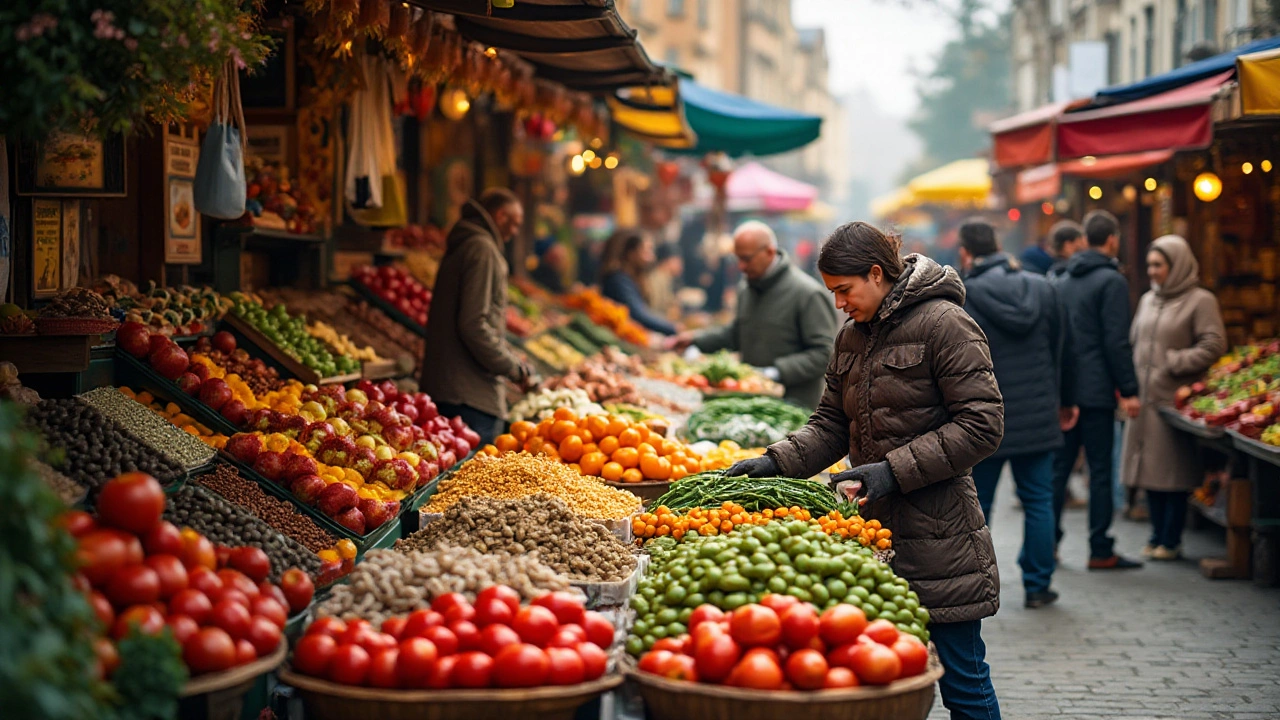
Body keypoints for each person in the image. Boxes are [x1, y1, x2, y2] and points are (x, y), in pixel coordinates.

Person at [728, 222, 1004, 720]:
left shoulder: (946, 324)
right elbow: (830, 424)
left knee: (963, 681)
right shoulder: (852, 338)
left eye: (844, 290)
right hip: (870, 539)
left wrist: (891, 471)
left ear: (876, 274)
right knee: (880, 683)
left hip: (938, 534)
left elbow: (983, 425)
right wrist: (774, 463)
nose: (838, 303)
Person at [957, 219, 1077, 609]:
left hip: (983, 419)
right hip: (1039, 412)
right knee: (1039, 501)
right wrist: (1066, 400)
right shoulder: (1044, 288)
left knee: (978, 507)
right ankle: (1038, 586)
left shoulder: (965, 295)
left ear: (966, 252)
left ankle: (976, 585)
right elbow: (1064, 349)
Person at [1122, 235, 1226, 560]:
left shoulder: (1200, 300)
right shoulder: (1148, 300)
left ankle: (1171, 539)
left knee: (1173, 473)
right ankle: (1157, 535)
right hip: (1144, 398)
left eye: (1159, 265)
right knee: (1150, 474)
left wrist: (1175, 361)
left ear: (1177, 265)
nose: (1152, 271)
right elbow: (1133, 341)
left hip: (1172, 401)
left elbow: (1214, 344)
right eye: (1150, 264)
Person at [665, 221, 839, 409]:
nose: (741, 266)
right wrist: (694, 339)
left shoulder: (808, 294)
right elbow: (737, 333)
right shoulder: (746, 289)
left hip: (794, 406)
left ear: (769, 252)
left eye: (747, 259)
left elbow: (824, 354)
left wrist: (776, 372)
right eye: (737, 259)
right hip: (752, 402)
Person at [1053, 210, 1143, 570]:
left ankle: (1050, 544)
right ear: (1112, 240)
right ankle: (1100, 549)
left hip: (1067, 391)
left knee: (1059, 471)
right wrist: (1130, 389)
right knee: (1100, 471)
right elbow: (1116, 342)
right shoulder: (1112, 281)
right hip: (1097, 390)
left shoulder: (1062, 280)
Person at [421, 188, 537, 447]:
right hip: (469, 395)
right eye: (515, 224)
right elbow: (474, 324)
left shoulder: (466, 244)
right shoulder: (483, 249)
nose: (515, 232)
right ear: (501, 215)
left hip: (450, 387)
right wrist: (513, 369)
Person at [600, 230, 677, 335]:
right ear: (631, 254)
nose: (652, 257)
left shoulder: (627, 279)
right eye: (647, 251)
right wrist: (674, 328)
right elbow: (638, 315)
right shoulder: (618, 280)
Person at [646, 242, 683, 320]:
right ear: (667, 261)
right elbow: (653, 310)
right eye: (678, 261)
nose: (681, 265)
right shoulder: (656, 279)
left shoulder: (666, 278)